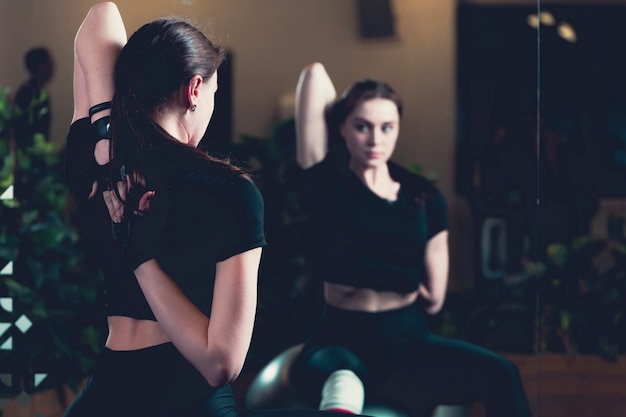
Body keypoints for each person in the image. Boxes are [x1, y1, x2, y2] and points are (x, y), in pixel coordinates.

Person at [63, 3, 369, 417]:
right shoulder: (229, 191)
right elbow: (221, 364)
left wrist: (107, 142)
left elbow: (100, 16)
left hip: (105, 396)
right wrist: (141, 257)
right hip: (186, 401)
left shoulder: (99, 165)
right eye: (213, 94)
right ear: (194, 90)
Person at [288, 62, 533, 417]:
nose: (376, 139)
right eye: (362, 126)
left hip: (406, 338)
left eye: (387, 127)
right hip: (340, 337)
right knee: (345, 385)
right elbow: (313, 75)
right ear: (340, 126)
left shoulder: (424, 197)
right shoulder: (327, 182)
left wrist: (379, 269)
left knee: (502, 374)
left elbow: (434, 299)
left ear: (398, 128)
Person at [13, 46, 54, 146]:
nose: (52, 66)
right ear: (40, 66)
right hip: (27, 156)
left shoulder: (42, 92)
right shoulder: (27, 93)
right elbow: (20, 128)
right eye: (48, 62)